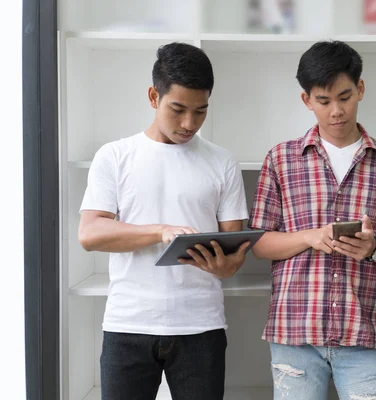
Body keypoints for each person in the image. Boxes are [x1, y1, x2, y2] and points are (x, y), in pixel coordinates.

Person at [248, 40, 376, 400]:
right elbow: (260, 244)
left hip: (363, 331)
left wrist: (374, 249)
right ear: (306, 100)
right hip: (294, 332)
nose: (336, 111)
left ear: (360, 89)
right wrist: (309, 238)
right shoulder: (280, 159)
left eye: (344, 97)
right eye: (323, 101)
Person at [78, 42, 250, 400]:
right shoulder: (115, 156)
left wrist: (225, 266)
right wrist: (161, 231)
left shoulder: (222, 161)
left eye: (200, 111)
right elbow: (91, 233)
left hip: (201, 326)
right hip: (128, 324)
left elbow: (235, 248)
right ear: (154, 96)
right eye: (178, 109)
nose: (189, 124)